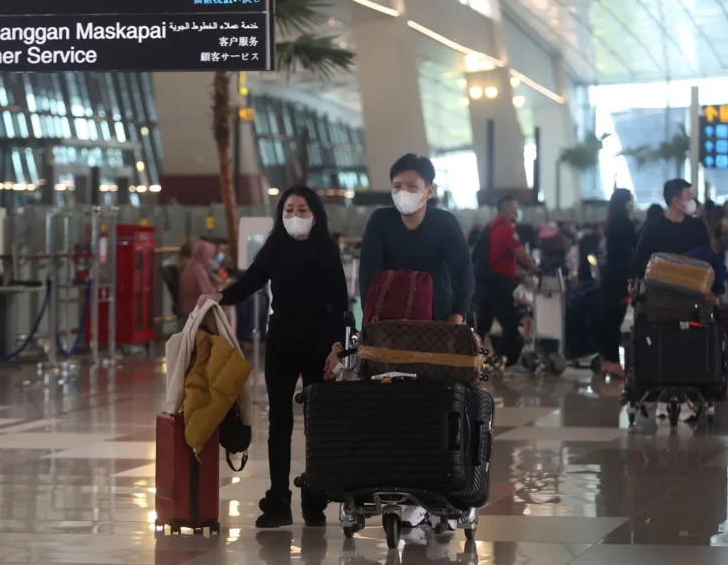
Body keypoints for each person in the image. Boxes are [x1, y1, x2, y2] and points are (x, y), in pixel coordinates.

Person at [204, 186, 348, 528]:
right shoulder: (277, 245)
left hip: (318, 344)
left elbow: (340, 303)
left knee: (317, 425)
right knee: (279, 425)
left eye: (301, 210)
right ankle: (278, 499)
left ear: (314, 214)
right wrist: (218, 297)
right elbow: (251, 281)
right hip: (282, 340)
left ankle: (315, 498)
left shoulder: (326, 249)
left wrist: (337, 347)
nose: (294, 217)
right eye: (288, 211)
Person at [359, 154, 473, 326]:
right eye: (397, 186)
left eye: (412, 186)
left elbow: (463, 271)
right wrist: (370, 317)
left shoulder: (445, 223)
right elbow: (368, 274)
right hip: (389, 320)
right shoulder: (380, 221)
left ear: (429, 191)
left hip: (437, 318)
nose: (403, 193)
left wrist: (457, 315)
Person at [475, 195, 538, 368]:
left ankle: (471, 358)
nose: (517, 211)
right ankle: (508, 360)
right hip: (498, 284)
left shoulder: (492, 226)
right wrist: (534, 268)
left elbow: (502, 260)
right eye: (515, 208)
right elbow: (521, 253)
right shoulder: (506, 228)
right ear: (507, 209)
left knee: (483, 324)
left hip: (487, 281)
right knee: (509, 324)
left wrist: (522, 271)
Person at [632, 179, 711, 279]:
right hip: (662, 291)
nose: (692, 199)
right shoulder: (654, 229)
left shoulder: (698, 226)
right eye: (689, 195)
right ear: (676, 201)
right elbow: (639, 262)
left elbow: (708, 258)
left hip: (692, 289)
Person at [600, 189, 635, 378]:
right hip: (619, 277)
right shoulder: (625, 223)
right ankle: (612, 362)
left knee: (609, 320)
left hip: (610, 276)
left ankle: (608, 360)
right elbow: (633, 249)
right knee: (615, 320)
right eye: (630, 200)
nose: (632, 203)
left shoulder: (611, 222)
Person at [177, 240, 219, 317]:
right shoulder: (198, 270)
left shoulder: (190, 266)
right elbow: (206, 292)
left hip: (188, 307)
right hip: (196, 308)